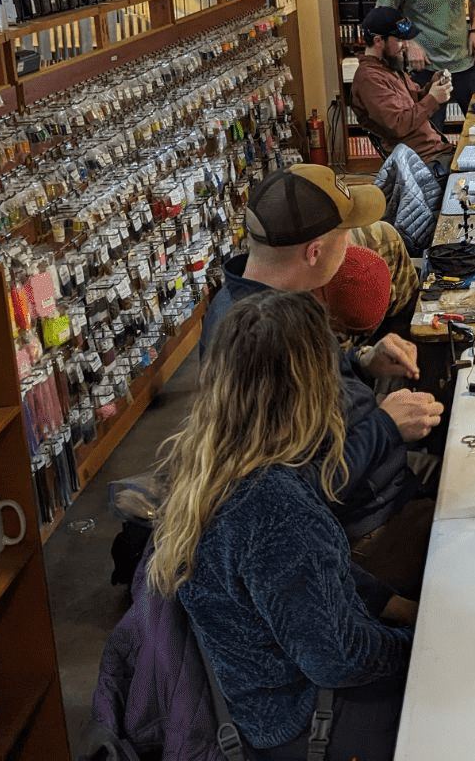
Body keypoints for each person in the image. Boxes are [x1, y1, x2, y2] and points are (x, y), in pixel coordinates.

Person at [151, 290, 416, 761]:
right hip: (305, 722)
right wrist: (421, 648)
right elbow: (338, 658)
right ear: (310, 389)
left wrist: (395, 605)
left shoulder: (213, 465)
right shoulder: (273, 508)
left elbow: (311, 580)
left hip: (260, 705)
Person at [204, 164, 442, 595]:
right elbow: (293, 494)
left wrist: (363, 361)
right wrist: (386, 426)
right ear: (314, 252)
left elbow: (313, 381)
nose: (350, 246)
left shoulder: (265, 298)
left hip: (382, 484)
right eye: (345, 236)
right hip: (365, 531)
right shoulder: (259, 345)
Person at [350, 6, 455, 171]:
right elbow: (398, 125)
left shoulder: (390, 67)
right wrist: (433, 99)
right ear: (378, 41)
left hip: (435, 152)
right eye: (400, 40)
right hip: (423, 162)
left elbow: (413, 101)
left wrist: (432, 87)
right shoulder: (369, 79)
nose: (406, 45)